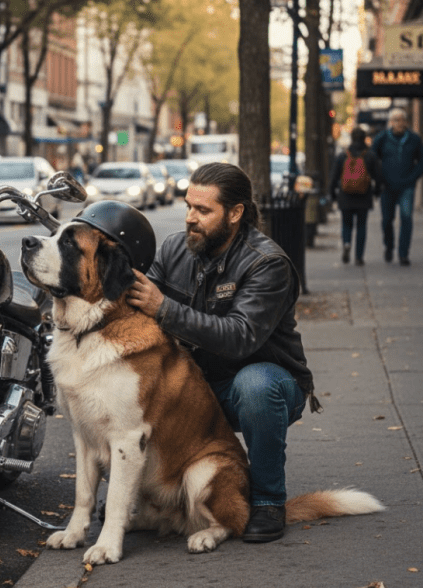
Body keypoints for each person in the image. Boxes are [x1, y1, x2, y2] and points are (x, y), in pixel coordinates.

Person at [126, 162, 321, 543]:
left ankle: (267, 501)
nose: (190, 219)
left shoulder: (267, 263)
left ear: (235, 213)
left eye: (203, 210)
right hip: (197, 387)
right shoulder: (174, 249)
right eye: (188, 207)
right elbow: (138, 313)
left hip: (259, 386)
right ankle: (148, 498)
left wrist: (163, 307)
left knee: (256, 385)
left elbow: (240, 337)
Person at [371, 108, 423, 266]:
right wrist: (379, 179)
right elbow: (372, 159)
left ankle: (403, 254)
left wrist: (412, 178)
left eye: (402, 120)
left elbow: (421, 161)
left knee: (406, 219)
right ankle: (389, 246)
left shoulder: (414, 139)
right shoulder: (381, 139)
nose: (399, 123)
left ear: (406, 122)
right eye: (396, 120)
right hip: (387, 186)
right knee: (387, 220)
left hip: (407, 186)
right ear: (391, 122)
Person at [328, 127, 382, 266]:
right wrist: (376, 192)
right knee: (361, 226)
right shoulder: (370, 155)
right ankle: (359, 257)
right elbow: (378, 177)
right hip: (364, 195)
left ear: (352, 138)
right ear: (364, 138)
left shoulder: (343, 155)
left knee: (346, 224)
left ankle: (346, 243)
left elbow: (334, 177)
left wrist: (332, 194)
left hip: (345, 196)